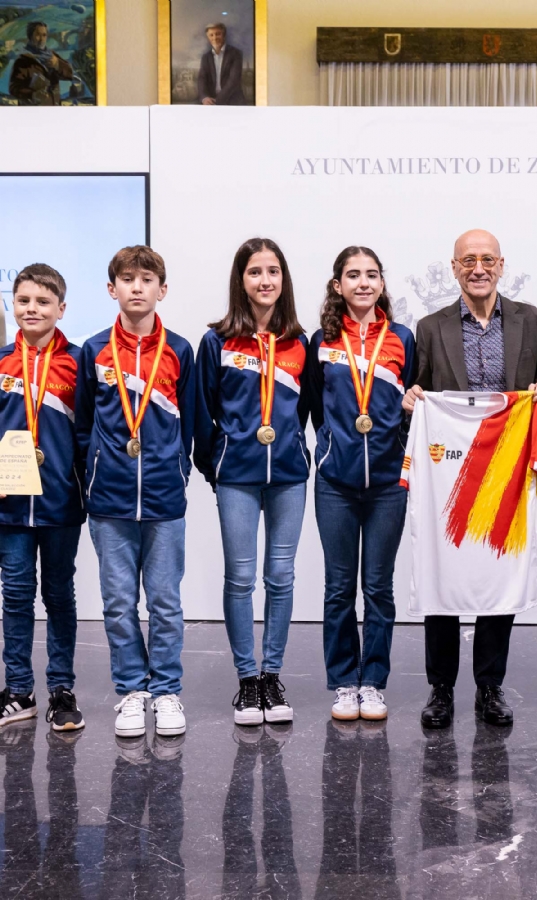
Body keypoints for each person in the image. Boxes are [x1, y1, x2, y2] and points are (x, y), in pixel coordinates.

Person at [402, 228, 537, 729]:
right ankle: (440, 688)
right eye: (468, 260)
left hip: (506, 469)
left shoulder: (531, 321)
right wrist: (412, 402)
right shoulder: (429, 327)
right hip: (450, 470)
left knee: (497, 571)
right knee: (443, 570)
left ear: (501, 264)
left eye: (487, 259)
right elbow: (418, 391)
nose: (478, 268)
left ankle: (490, 687)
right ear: (454, 268)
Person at [76, 246, 195, 739]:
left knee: (165, 602)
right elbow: (83, 424)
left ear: (162, 290)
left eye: (147, 279)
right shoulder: (93, 349)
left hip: (165, 499)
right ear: (112, 290)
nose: (138, 287)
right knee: (119, 602)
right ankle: (132, 691)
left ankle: (166, 690)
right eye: (128, 279)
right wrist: (94, 474)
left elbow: (189, 422)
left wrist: (179, 470)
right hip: (110, 501)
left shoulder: (180, 350)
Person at [194, 238, 309, 726]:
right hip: (237, 477)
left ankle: (271, 677)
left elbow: (306, 410)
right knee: (240, 579)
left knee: (280, 579)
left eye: (273, 271)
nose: (265, 281)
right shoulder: (217, 341)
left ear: (284, 280)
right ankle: (246, 680)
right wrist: (215, 464)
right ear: (240, 280)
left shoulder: (301, 342)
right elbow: (202, 410)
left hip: (287, 476)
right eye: (255, 271)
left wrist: (292, 449)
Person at [306, 247, 415, 722]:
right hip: (336, 482)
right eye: (354, 275)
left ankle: (373, 682)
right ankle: (343, 682)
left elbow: (415, 402)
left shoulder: (403, 339)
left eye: (372, 274)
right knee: (338, 587)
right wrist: (333, 444)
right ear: (338, 286)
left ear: (381, 283)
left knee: (378, 587)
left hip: (389, 482)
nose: (364, 283)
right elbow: (313, 405)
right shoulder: (322, 339)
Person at [0, 264, 85, 731]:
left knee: (58, 594)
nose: (32, 308)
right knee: (15, 596)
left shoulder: (77, 362)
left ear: (61, 308)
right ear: (13, 304)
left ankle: (61, 690)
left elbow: (88, 434)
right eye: (24, 300)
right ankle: (18, 689)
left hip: (59, 502)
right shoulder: (0, 364)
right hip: (9, 506)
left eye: (43, 301)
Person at [9, 21, 76, 106]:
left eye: (44, 35)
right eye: (38, 35)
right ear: (30, 36)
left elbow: (70, 74)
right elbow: (14, 88)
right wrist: (33, 95)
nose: (41, 39)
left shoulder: (52, 55)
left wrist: (57, 64)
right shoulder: (22, 61)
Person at [197, 23, 245, 106]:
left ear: (224, 35)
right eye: (211, 35)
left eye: (218, 34)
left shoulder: (236, 54)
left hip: (232, 100)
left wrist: (217, 101)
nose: (214, 38)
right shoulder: (206, 57)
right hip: (210, 100)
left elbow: (234, 81)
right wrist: (205, 98)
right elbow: (202, 78)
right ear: (208, 38)